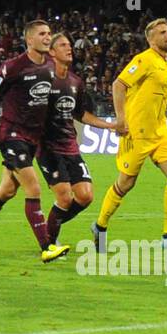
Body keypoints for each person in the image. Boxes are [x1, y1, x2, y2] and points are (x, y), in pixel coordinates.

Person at [0, 19, 67, 261]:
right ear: (29, 40)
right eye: (42, 34)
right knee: (34, 187)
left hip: (33, 138)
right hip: (11, 135)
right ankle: (47, 247)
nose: (48, 37)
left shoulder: (50, 64)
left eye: (49, 33)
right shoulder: (14, 66)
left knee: (6, 190)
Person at [93, 18, 167, 253]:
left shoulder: (165, 64)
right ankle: (100, 226)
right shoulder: (144, 59)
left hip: (160, 132)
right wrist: (121, 120)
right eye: (162, 32)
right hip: (136, 133)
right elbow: (119, 85)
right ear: (151, 39)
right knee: (126, 183)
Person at [40, 32, 121, 248]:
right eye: (63, 45)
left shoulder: (76, 81)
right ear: (52, 52)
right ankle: (49, 242)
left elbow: (81, 114)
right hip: (48, 148)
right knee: (65, 198)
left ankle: (48, 229)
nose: (69, 48)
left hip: (70, 147)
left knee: (85, 196)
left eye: (69, 44)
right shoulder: (43, 80)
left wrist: (110, 125)